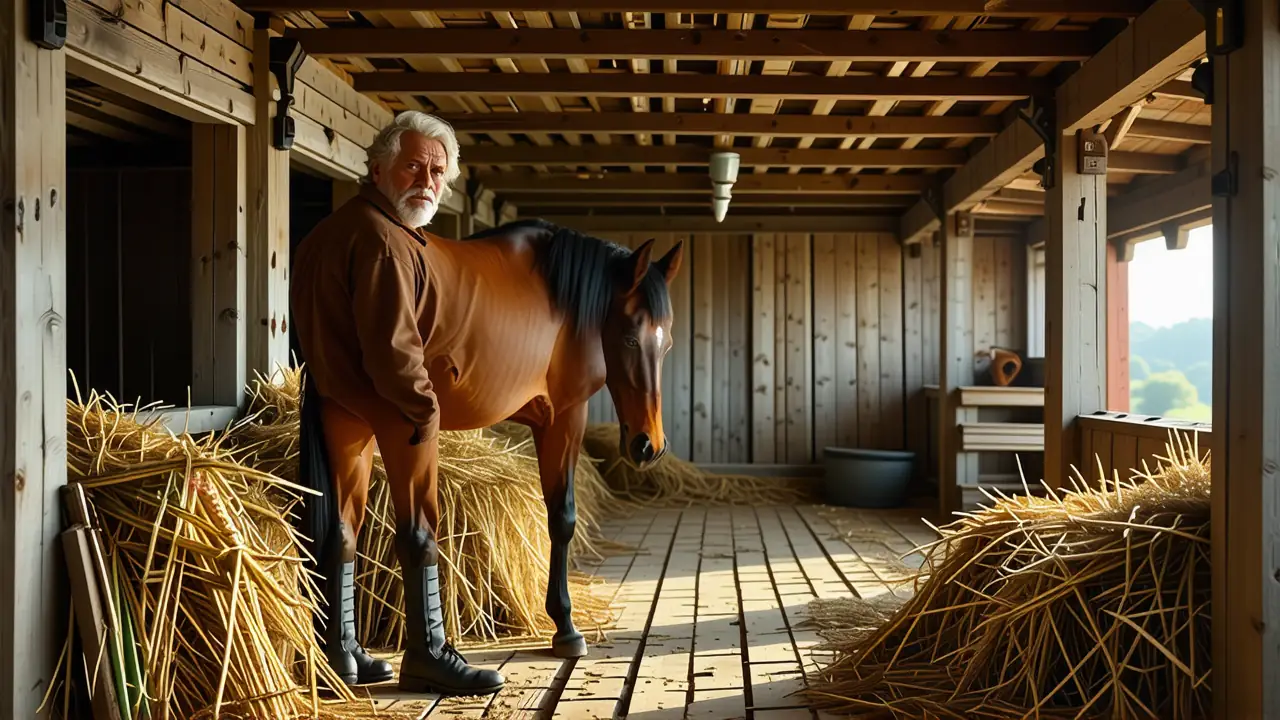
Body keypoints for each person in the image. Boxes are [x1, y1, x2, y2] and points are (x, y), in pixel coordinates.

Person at [289, 111, 504, 696]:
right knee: (418, 523)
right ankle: (428, 651)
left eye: (438, 172)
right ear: (378, 166)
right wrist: (424, 409)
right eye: (414, 166)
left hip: (335, 395)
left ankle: (341, 650)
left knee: (341, 519)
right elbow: (394, 348)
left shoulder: (335, 230)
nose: (427, 181)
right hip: (387, 401)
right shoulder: (385, 240)